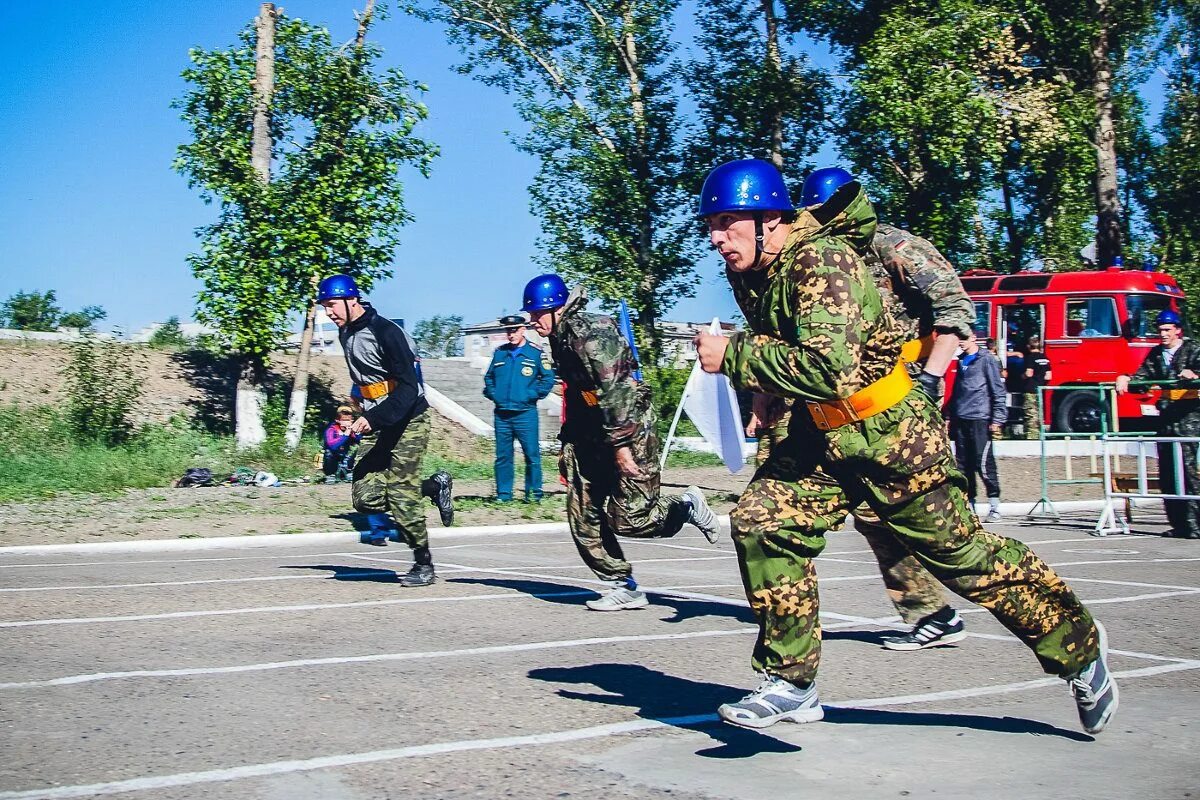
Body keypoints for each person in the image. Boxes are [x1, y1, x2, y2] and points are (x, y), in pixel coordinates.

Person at [693, 158, 1115, 734]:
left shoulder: (823, 261)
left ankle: (1080, 647)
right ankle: (791, 683)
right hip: (819, 435)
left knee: (962, 559)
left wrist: (734, 358)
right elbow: (785, 347)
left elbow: (826, 367)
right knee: (763, 522)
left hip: (892, 437)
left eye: (726, 223)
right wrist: (762, 388)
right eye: (710, 226)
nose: (716, 239)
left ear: (769, 218)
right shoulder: (753, 271)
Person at [745, 166, 973, 652]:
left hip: (897, 392)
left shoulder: (894, 247)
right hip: (829, 399)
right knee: (790, 511)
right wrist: (765, 395)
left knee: (924, 524)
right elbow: (785, 337)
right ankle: (928, 612)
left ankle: (937, 607)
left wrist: (930, 379)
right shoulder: (794, 260)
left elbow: (954, 310)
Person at [521, 273, 721, 611]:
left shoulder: (590, 335)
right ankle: (621, 585)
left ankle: (686, 507)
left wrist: (622, 446)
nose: (531, 321)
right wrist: (568, 445)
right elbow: (582, 395)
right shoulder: (560, 336)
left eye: (537, 313)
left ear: (556, 308)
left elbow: (617, 392)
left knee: (631, 519)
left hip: (630, 428)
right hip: (593, 430)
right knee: (582, 513)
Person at [317, 274, 454, 586]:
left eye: (333, 305)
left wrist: (374, 419)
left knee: (402, 492)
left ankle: (424, 564)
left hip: (410, 418)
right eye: (325, 307)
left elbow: (408, 388)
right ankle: (434, 487)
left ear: (352, 299)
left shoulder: (387, 332)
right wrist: (358, 410)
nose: (330, 313)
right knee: (365, 498)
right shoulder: (345, 331)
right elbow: (366, 380)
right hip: (376, 418)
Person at [1116, 309, 1200, 538]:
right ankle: (1179, 524)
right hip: (1166, 420)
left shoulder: (1193, 349)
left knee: (1192, 473)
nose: (1163, 334)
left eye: (1167, 330)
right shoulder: (1155, 354)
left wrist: (1193, 374)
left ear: (1178, 330)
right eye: (1160, 329)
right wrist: (1126, 378)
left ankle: (1197, 525)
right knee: (1168, 473)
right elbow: (1143, 379)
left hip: (1190, 419)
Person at [484, 314, 556, 502]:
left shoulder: (535, 353)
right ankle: (504, 495)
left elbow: (548, 379)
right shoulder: (500, 353)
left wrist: (532, 395)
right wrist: (495, 395)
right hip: (502, 415)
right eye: (508, 330)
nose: (511, 334)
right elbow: (489, 378)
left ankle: (533, 494)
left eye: (514, 330)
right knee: (503, 457)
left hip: (525, 414)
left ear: (523, 330)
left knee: (531, 455)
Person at [946, 330, 1007, 522]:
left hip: (981, 418)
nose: (961, 343)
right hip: (961, 419)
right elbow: (956, 391)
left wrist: (997, 418)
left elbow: (997, 390)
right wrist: (949, 416)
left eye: (964, 339)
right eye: (959, 340)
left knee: (983, 462)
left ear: (974, 338)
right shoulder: (961, 361)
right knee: (963, 465)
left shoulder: (986, 359)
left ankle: (994, 505)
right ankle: (969, 506)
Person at [1020, 336, 1052, 440]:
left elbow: (1029, 373)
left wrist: (1022, 376)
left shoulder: (1030, 357)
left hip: (1030, 388)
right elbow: (1048, 376)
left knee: (1030, 413)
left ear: (1029, 346)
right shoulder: (1045, 358)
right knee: (1039, 412)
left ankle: (1032, 437)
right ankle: (1038, 434)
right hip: (1040, 389)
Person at [322, 405, 360, 483]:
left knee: (360, 450)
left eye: (348, 420)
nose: (346, 423)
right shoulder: (331, 430)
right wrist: (345, 435)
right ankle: (330, 475)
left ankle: (350, 471)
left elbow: (360, 441)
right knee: (328, 453)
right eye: (344, 420)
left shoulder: (351, 431)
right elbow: (333, 446)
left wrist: (355, 433)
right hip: (333, 460)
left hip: (346, 459)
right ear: (338, 420)